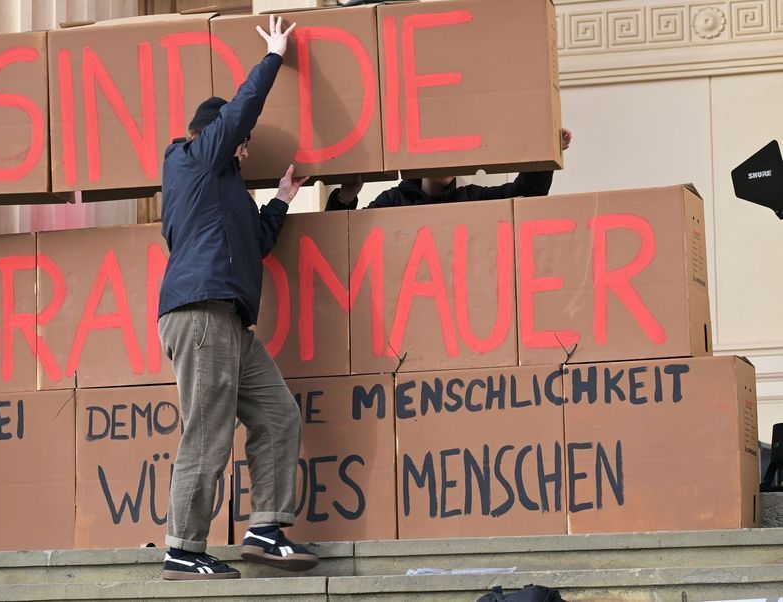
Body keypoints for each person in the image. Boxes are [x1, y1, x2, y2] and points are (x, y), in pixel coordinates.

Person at [157, 14, 317, 581]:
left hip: (229, 318)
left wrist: (279, 200)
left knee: (278, 415)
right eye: (240, 143)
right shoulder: (191, 159)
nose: (244, 152)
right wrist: (274, 56)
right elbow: (239, 111)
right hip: (200, 314)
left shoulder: (224, 193)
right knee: (208, 429)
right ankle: (183, 547)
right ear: (216, 135)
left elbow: (256, 247)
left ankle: (264, 529)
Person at [326, 128, 573, 210]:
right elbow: (344, 241)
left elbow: (528, 195)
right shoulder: (392, 202)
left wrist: (545, 154)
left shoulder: (472, 199)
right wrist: (346, 195)